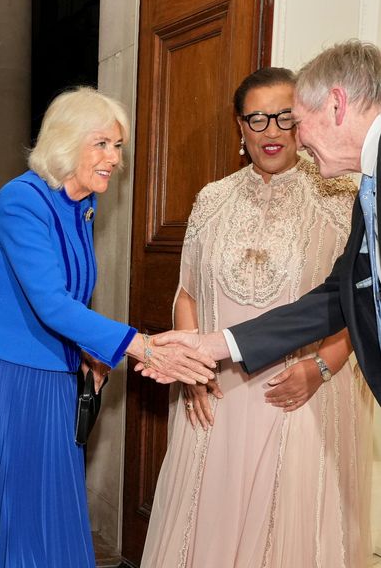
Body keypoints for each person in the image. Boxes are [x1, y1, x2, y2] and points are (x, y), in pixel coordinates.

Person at [0, 88, 218, 568]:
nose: (114, 158)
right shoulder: (22, 201)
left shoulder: (77, 207)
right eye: (101, 144)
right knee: (10, 518)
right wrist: (143, 348)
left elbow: (70, 297)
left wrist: (91, 352)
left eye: (117, 146)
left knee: (53, 511)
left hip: (54, 379)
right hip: (5, 381)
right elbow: (51, 304)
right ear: (65, 141)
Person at [141, 68, 374, 567]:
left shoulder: (342, 195)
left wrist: (322, 368)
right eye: (257, 119)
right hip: (219, 392)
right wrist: (193, 369)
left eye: (285, 117)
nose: (271, 131)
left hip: (302, 396)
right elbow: (187, 293)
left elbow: (354, 301)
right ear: (239, 128)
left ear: (306, 120)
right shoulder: (212, 198)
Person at [151, 40, 381, 403]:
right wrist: (215, 344)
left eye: (295, 121)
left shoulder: (349, 193)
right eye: (258, 120)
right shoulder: (369, 188)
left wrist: (321, 366)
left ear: (336, 104)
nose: (296, 138)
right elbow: (343, 296)